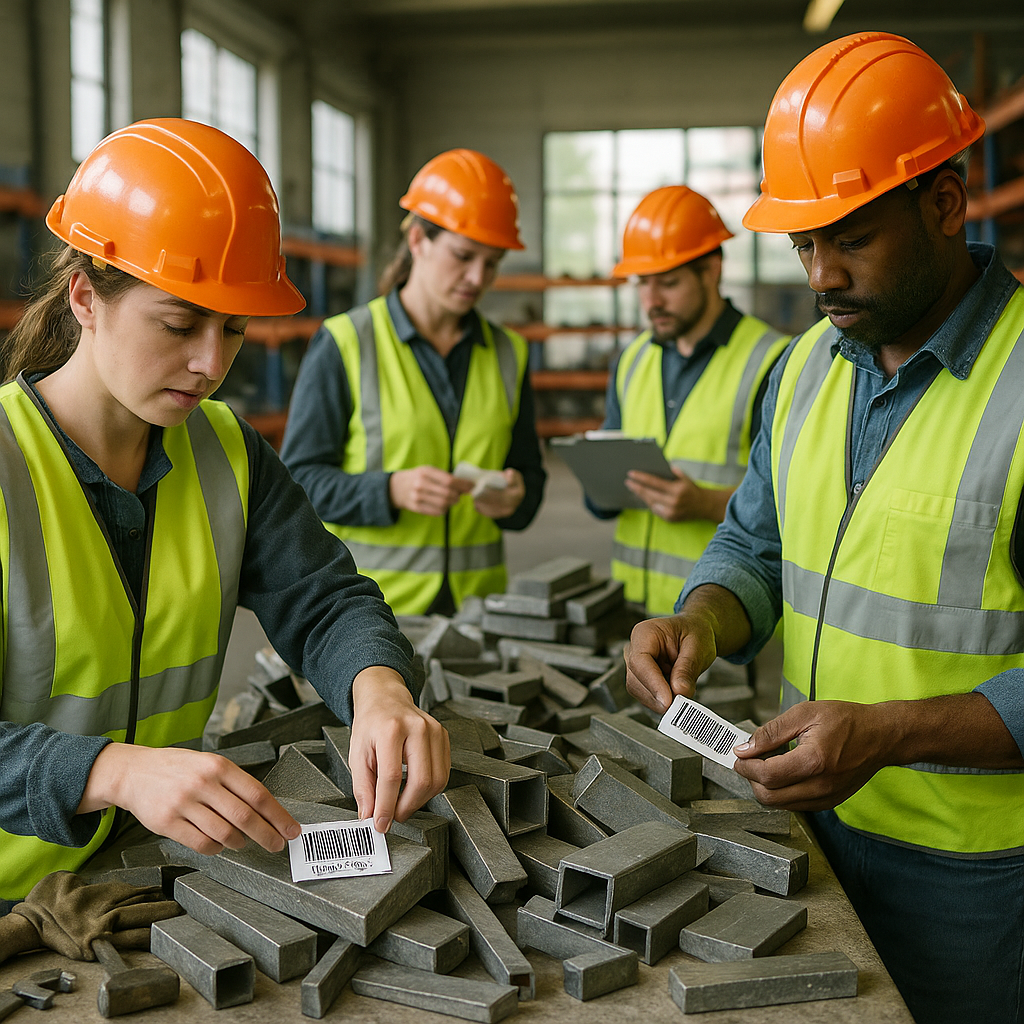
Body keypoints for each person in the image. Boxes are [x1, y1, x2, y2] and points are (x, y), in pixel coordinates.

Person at [625, 32, 1024, 1024]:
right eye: (803, 244)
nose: (821, 273)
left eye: (849, 236)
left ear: (943, 201)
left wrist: (890, 734)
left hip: (974, 879)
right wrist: (704, 621)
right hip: (808, 829)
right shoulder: (806, 370)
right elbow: (755, 545)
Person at [0, 119, 449, 911]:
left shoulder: (227, 454)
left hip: (144, 881)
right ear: (84, 298)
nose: (211, 364)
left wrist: (379, 688)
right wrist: (112, 771)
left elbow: (326, 599)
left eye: (234, 330)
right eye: (179, 325)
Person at [280, 149, 546, 616]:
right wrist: (390, 491)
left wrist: (516, 498)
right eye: (463, 257)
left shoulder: (510, 353)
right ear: (419, 240)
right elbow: (299, 482)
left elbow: (531, 477)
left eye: (493, 262)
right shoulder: (347, 342)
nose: (477, 278)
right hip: (369, 613)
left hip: (478, 613)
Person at [587, 186, 787, 614]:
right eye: (643, 283)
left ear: (711, 270)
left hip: (720, 617)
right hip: (631, 616)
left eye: (669, 283)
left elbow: (793, 504)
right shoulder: (632, 360)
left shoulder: (771, 362)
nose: (651, 301)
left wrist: (705, 504)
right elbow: (603, 488)